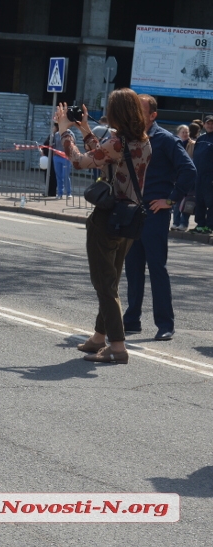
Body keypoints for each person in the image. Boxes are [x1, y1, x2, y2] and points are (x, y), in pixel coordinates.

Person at [56, 88, 152, 365]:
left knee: (104, 284)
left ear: (116, 113)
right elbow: (104, 156)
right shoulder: (143, 141)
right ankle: (100, 337)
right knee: (110, 278)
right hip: (131, 217)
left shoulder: (117, 142)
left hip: (108, 218)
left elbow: (81, 161)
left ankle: (118, 347)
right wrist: (85, 128)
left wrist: (65, 131)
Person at [121, 94, 195, 342]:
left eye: (139, 111)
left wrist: (171, 200)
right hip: (131, 211)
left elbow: (189, 171)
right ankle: (131, 319)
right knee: (132, 268)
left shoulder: (166, 140)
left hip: (154, 213)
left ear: (153, 115)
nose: (134, 115)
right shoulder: (127, 137)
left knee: (156, 268)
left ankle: (165, 324)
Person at [190, 115, 213, 234]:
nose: (210, 125)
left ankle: (210, 226)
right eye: (208, 123)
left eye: (212, 124)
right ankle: (200, 224)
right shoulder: (200, 138)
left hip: (210, 178)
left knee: (211, 202)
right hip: (198, 176)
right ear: (204, 125)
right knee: (199, 201)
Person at [171, 124, 194, 231]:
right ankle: (175, 222)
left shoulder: (193, 144)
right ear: (178, 133)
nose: (185, 134)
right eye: (183, 132)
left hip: (188, 176)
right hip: (176, 176)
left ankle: (184, 223)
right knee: (176, 200)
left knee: (187, 201)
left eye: (187, 132)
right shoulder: (174, 144)